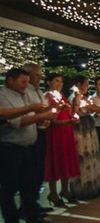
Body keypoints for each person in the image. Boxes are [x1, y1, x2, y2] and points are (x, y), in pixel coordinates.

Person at [0, 68, 57, 223]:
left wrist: (42, 120)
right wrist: (39, 116)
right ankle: (12, 221)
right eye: (23, 82)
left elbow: (31, 117)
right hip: (10, 147)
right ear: (10, 80)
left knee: (29, 184)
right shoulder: (3, 96)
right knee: (9, 187)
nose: (26, 85)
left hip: (28, 146)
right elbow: (16, 121)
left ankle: (32, 216)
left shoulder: (23, 95)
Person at [43, 73, 80, 207]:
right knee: (55, 161)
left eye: (61, 81)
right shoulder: (47, 97)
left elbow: (71, 112)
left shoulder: (62, 97)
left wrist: (76, 102)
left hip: (66, 132)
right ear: (48, 82)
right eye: (57, 81)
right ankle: (53, 193)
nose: (60, 84)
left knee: (66, 160)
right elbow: (51, 119)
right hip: (55, 133)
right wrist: (68, 120)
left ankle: (65, 190)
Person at [68, 75, 100, 200]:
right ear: (79, 85)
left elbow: (91, 109)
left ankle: (94, 184)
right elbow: (74, 113)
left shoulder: (84, 97)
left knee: (92, 154)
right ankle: (83, 188)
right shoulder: (74, 97)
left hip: (88, 126)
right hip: (81, 129)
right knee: (83, 155)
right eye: (86, 84)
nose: (87, 87)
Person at [23, 63, 50, 212]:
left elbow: (43, 108)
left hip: (41, 132)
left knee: (39, 170)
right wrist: (40, 117)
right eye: (37, 75)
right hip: (30, 133)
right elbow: (27, 112)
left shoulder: (38, 91)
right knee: (30, 172)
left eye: (40, 75)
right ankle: (28, 206)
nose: (40, 78)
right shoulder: (25, 91)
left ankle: (34, 203)